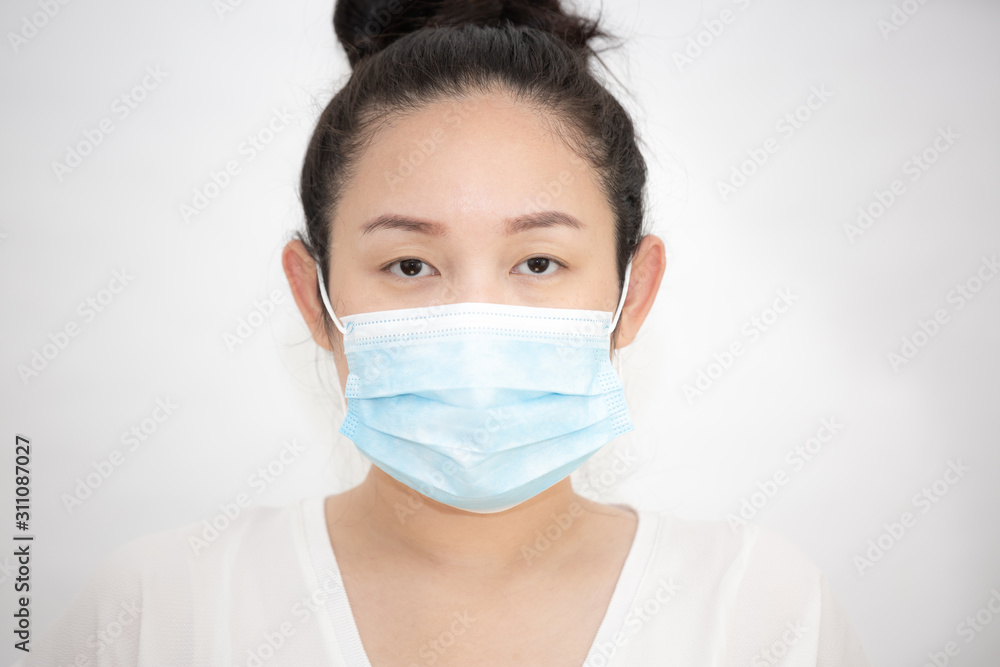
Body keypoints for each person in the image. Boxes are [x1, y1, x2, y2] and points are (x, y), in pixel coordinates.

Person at [18, 0, 872, 665]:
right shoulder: (158, 611)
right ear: (313, 298)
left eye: (538, 263)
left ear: (633, 292)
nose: (472, 325)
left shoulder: (760, 608)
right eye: (410, 266)